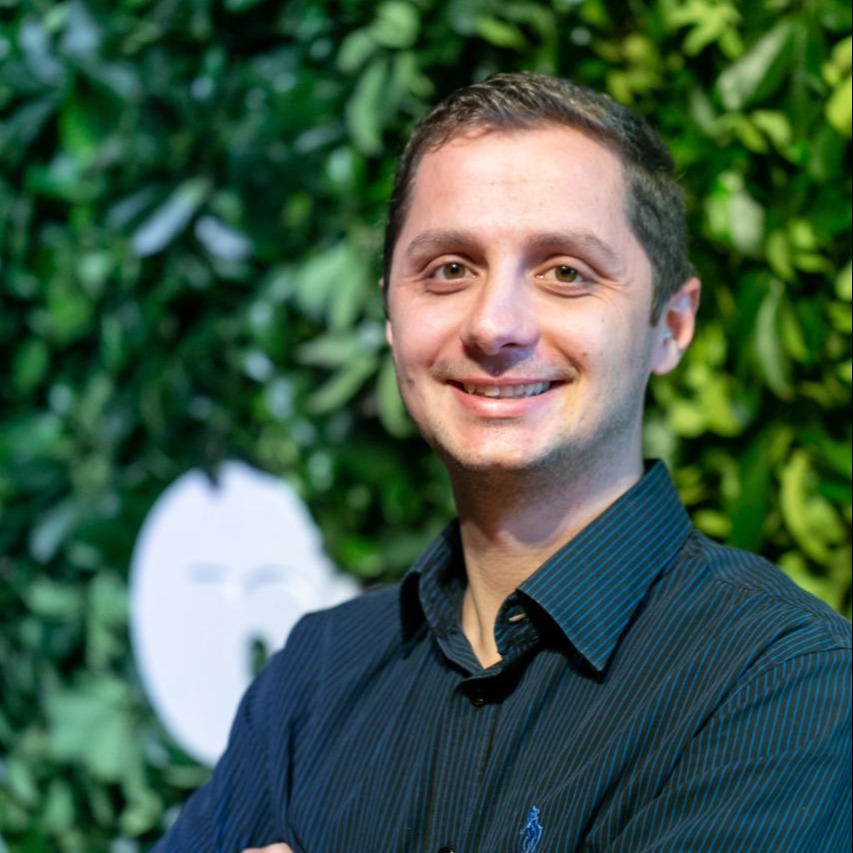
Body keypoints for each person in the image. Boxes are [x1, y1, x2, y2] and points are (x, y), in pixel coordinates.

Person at [152, 73, 851, 853]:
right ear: (391, 316)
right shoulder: (312, 676)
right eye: (449, 269)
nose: (494, 325)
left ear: (670, 325)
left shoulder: (783, 677)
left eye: (566, 272)